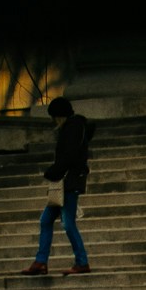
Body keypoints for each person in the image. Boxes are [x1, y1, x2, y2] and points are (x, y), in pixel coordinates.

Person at [23, 95, 92, 277]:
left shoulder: (73, 128)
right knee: (46, 220)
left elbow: (68, 157)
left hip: (69, 182)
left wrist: (51, 172)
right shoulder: (74, 127)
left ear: (59, 115)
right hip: (65, 183)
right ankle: (40, 262)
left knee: (68, 223)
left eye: (54, 117)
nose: (53, 121)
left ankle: (82, 261)